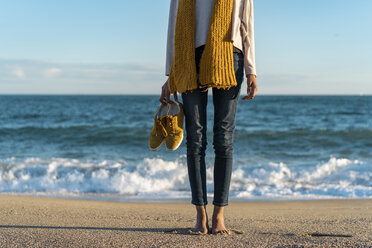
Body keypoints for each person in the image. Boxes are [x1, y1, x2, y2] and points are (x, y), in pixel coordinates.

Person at [159, 0, 257, 235]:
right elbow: (174, 26)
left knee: (223, 138)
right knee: (195, 139)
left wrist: (251, 69)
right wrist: (170, 73)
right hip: (188, 58)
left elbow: (247, 23)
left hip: (230, 56)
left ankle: (219, 215)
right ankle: (200, 216)